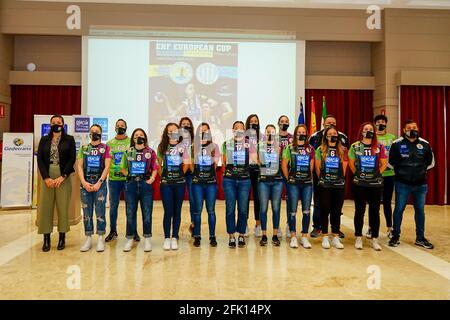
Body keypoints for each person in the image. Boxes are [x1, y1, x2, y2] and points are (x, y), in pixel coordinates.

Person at [388, 120, 435, 249]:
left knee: (420, 210)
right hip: (402, 183)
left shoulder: (425, 144)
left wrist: (420, 171)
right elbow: (390, 162)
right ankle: (395, 236)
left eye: (414, 127)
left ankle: (420, 238)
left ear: (418, 129)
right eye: (409, 128)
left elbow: (431, 162)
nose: (412, 129)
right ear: (404, 130)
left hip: (420, 184)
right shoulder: (396, 144)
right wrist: (401, 172)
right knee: (399, 209)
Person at [37, 115, 76, 252]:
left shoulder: (69, 140)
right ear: (50, 125)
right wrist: (46, 178)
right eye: (53, 122)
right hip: (47, 175)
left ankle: (62, 237)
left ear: (63, 124)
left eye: (58, 122)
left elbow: (72, 159)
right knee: (46, 208)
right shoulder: (44, 139)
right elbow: (40, 159)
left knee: (62, 207)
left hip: (63, 176)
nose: (56, 124)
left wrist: (63, 176)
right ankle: (46, 239)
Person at [348, 122, 387, 251]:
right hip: (360, 183)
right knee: (360, 210)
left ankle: (375, 238)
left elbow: (384, 163)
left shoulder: (379, 147)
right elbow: (351, 163)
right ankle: (358, 237)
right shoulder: (355, 146)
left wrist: (375, 175)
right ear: (362, 131)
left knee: (375, 211)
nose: (368, 131)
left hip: (375, 184)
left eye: (370, 129)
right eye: (366, 129)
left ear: (374, 132)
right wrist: (359, 175)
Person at [309, 115, 349, 239]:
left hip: (337, 179)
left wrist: (339, 176)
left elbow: (344, 159)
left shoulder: (342, 137)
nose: (330, 124)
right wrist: (322, 177)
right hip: (320, 177)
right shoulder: (315, 137)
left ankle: (335, 228)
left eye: (333, 122)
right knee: (319, 203)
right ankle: (317, 226)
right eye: (328, 122)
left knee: (336, 205)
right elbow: (313, 156)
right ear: (323, 124)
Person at [121, 128, 158, 252]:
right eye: (136, 135)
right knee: (130, 213)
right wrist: (129, 176)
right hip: (131, 185)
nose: (139, 137)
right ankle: (130, 239)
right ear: (133, 138)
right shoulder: (128, 151)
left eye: (141, 135)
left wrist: (152, 178)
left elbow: (155, 167)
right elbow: (123, 167)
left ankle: (147, 239)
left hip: (145, 185)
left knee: (147, 214)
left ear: (145, 138)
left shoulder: (151, 152)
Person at [77, 124, 112, 252]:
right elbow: (79, 166)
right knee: (87, 213)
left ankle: (101, 238)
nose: (95, 133)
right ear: (90, 134)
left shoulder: (106, 148)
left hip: (100, 184)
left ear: (101, 134)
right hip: (85, 183)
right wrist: (84, 182)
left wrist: (99, 182)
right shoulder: (84, 148)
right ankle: (88, 238)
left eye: (97, 131)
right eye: (93, 131)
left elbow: (107, 167)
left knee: (100, 211)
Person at [157, 123, 190, 251]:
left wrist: (180, 174)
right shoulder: (162, 147)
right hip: (166, 184)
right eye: (169, 131)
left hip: (179, 183)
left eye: (174, 131)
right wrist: (164, 176)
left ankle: (175, 237)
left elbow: (187, 164)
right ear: (166, 133)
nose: (172, 133)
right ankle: (166, 238)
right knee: (168, 211)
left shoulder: (183, 146)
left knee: (177, 211)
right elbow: (158, 165)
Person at [222, 121, 255, 248]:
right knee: (230, 209)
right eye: (236, 128)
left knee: (242, 209)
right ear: (232, 130)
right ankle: (231, 236)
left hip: (244, 180)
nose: (239, 131)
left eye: (241, 129)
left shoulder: (250, 144)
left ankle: (241, 235)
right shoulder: (227, 144)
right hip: (229, 180)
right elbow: (224, 163)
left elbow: (253, 160)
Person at [281, 124, 314, 249]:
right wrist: (289, 178)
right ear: (295, 134)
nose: (301, 134)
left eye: (303, 132)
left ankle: (304, 236)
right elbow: (284, 164)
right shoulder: (289, 148)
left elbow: (311, 166)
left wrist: (307, 177)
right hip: (293, 183)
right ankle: (293, 236)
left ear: (306, 134)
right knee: (293, 211)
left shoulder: (310, 148)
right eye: (299, 132)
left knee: (306, 210)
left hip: (306, 184)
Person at [105, 119, 137, 242]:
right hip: (113, 179)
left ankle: (133, 231)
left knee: (131, 206)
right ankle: (113, 231)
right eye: (118, 126)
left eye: (122, 125)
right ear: (115, 128)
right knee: (113, 206)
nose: (120, 127)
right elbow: (107, 161)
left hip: (128, 179)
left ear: (126, 127)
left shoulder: (131, 142)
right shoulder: (109, 143)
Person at [190, 123, 221, 247]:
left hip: (210, 183)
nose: (203, 133)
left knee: (211, 211)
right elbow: (191, 165)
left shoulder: (215, 146)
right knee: (197, 211)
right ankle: (197, 236)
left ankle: (212, 236)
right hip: (197, 183)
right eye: (201, 131)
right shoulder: (193, 147)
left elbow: (214, 164)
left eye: (206, 131)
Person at [369, 114, 397, 239]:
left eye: (383, 122)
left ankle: (390, 228)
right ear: (375, 124)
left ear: (386, 124)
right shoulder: (371, 137)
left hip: (389, 174)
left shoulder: (392, 138)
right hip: (374, 174)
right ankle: (371, 227)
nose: (381, 123)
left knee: (387, 202)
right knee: (373, 202)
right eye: (378, 122)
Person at [257, 125, 284, 247]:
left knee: (276, 208)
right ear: (265, 133)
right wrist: (263, 167)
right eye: (268, 132)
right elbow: (256, 160)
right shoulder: (260, 145)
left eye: (272, 132)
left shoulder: (279, 146)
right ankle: (263, 235)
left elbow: (281, 161)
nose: (270, 134)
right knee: (263, 208)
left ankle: (274, 234)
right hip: (263, 180)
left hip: (277, 180)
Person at [245, 114, 262, 237]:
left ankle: (258, 224)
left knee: (258, 198)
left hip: (258, 171)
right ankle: (244, 225)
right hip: (245, 170)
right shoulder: (242, 138)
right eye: (251, 121)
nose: (254, 123)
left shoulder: (263, 137)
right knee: (244, 198)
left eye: (256, 121)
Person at [179, 117, 196, 237]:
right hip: (177, 173)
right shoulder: (175, 141)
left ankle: (194, 225)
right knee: (177, 201)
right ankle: (175, 230)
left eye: (188, 124)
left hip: (191, 173)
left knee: (193, 200)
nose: (185, 126)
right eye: (183, 124)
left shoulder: (196, 141)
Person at [277, 115, 293, 239]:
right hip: (275, 171)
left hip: (289, 171)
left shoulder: (292, 138)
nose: (284, 123)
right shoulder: (273, 137)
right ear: (278, 123)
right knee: (276, 200)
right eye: (282, 121)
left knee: (290, 199)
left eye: (286, 121)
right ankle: (276, 227)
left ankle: (289, 225)